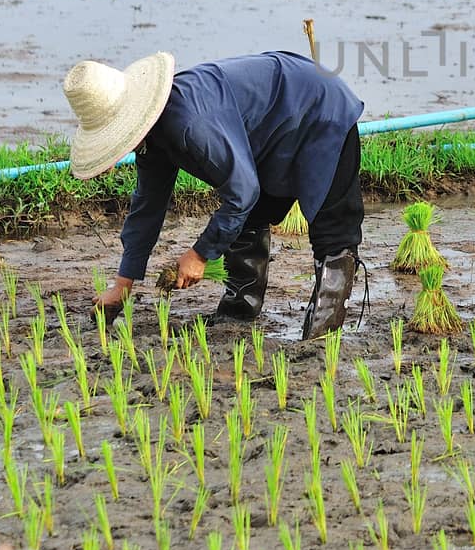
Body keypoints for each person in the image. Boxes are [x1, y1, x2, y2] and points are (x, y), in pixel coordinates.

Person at [62, 50, 365, 338]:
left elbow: (242, 194)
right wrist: (122, 284)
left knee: (332, 230)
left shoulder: (191, 126)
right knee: (250, 213)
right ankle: (240, 308)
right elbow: (147, 206)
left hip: (318, 108)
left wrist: (199, 254)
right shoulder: (153, 136)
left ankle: (323, 336)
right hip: (271, 127)